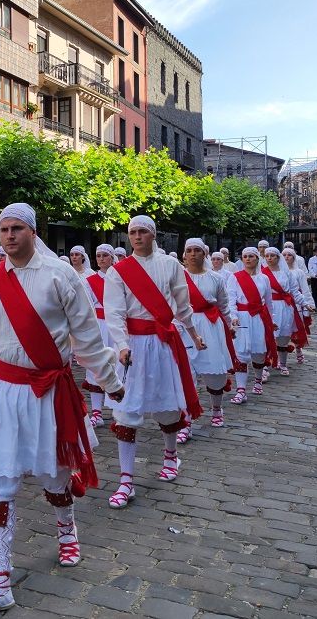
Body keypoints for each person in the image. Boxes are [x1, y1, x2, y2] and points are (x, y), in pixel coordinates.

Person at [0, 204, 122, 619]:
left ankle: (66, 529)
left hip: (49, 391)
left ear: (34, 232)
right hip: (0, 393)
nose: (10, 235)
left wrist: (112, 382)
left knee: (55, 475)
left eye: (17, 228)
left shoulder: (60, 276)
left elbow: (87, 337)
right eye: (4, 229)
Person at [102, 216, 204, 509]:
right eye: (132, 232)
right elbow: (114, 312)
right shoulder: (118, 272)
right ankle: (125, 480)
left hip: (161, 344)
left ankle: (171, 457)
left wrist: (195, 336)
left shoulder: (171, 266)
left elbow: (183, 307)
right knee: (126, 413)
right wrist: (121, 345)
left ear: (153, 234)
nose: (136, 236)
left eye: (142, 231)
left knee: (167, 406)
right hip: (132, 347)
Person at [180, 239, 236, 439]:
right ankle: (185, 421)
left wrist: (229, 325)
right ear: (184, 254)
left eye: (197, 250)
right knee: (184, 374)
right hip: (183, 326)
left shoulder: (215, 278)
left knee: (214, 371)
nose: (193, 254)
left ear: (205, 254)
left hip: (210, 325)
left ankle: (216, 408)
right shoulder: (176, 277)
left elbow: (223, 305)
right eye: (189, 251)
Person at [227, 248, 277, 401]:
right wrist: (233, 316)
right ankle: (241, 390)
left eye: (251, 256)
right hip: (242, 318)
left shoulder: (264, 279)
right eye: (245, 257)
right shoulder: (234, 278)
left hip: (259, 318)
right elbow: (231, 300)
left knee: (258, 351)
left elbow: (268, 302)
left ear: (257, 258)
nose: (248, 259)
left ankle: (258, 380)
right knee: (241, 352)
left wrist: (272, 320)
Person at [82, 244, 118, 427]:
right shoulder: (89, 281)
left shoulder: (120, 277)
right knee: (96, 366)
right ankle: (96, 411)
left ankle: (118, 407)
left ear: (112, 257)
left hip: (117, 327)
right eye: (98, 255)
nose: (102, 258)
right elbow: (87, 306)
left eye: (105, 255)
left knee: (118, 366)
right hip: (99, 326)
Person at [261, 248, 310, 376]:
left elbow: (294, 291)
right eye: (267, 256)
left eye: (272, 256)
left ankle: (282, 364)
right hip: (269, 307)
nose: (269, 258)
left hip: (285, 307)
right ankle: (265, 366)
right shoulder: (262, 274)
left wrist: (305, 303)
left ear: (278, 258)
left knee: (283, 336)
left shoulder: (286, 273)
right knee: (268, 336)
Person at [283, 248, 312, 364]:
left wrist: (308, 305)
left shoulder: (299, 272)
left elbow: (305, 290)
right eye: (284, 255)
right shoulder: (277, 272)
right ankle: (281, 356)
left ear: (294, 258)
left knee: (296, 328)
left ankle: (299, 349)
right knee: (282, 330)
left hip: (297, 304)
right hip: (282, 304)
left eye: (289, 255)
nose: (286, 257)